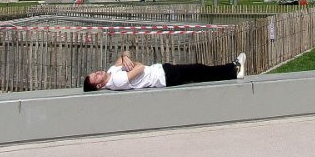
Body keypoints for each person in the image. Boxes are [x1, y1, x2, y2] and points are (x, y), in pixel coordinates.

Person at [83, 50, 246, 92]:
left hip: (161, 71)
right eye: (95, 76)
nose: (97, 72)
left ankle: (232, 69)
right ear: (98, 86)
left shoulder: (111, 71)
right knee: (198, 70)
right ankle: (233, 70)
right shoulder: (116, 81)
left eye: (94, 72)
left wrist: (124, 57)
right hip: (163, 77)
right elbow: (140, 68)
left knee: (198, 71)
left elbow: (125, 56)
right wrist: (129, 62)